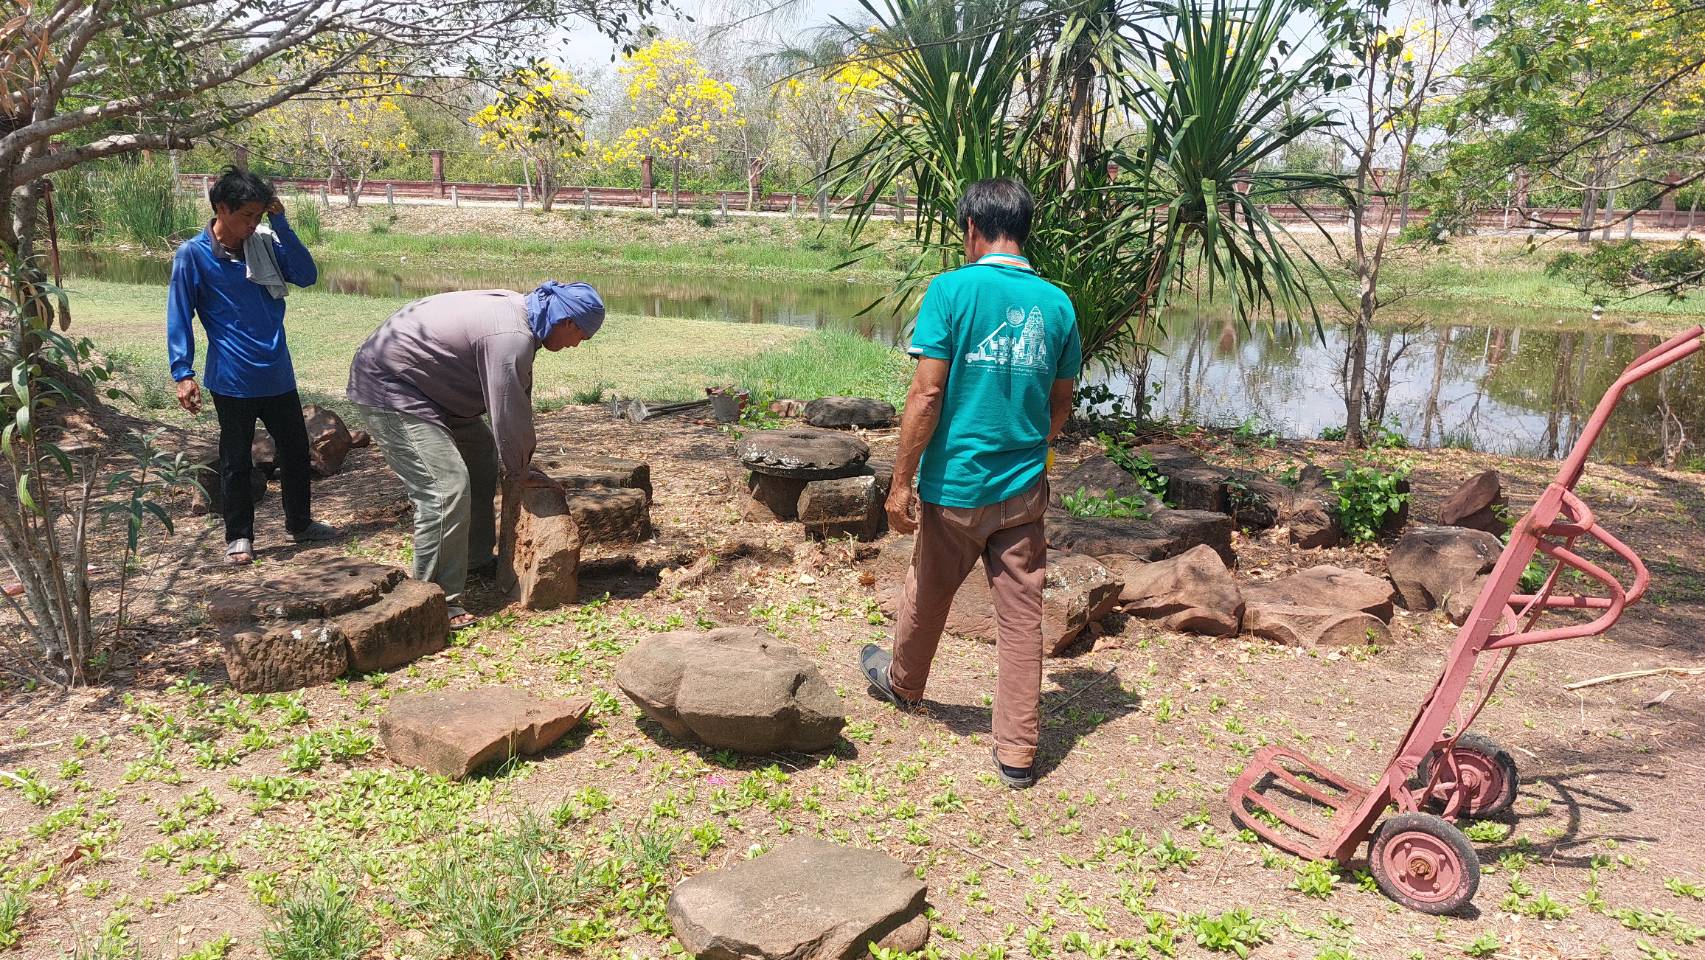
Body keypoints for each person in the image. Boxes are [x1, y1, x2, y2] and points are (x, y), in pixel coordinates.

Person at [859, 178, 1081, 789]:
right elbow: (1060, 405)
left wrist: (901, 482)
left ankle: (903, 684)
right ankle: (1016, 752)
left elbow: (927, 392)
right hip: (1022, 491)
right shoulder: (1058, 306)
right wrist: (1029, 445)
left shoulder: (952, 290)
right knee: (1020, 616)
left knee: (928, 590)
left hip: (956, 484)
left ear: (974, 230)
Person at [345, 282, 604, 626]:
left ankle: (473, 559)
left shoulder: (524, 315)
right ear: (567, 322)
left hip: (433, 389)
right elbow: (507, 410)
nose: (577, 346)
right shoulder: (511, 335)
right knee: (445, 488)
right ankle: (434, 599)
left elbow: (514, 399)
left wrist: (519, 463)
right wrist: (519, 469)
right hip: (393, 387)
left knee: (480, 456)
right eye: (582, 337)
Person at [168, 166, 337, 564]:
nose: (252, 224)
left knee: (296, 452)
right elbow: (179, 314)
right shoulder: (193, 256)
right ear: (222, 208)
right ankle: (239, 536)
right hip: (231, 378)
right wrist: (183, 371)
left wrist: (279, 222)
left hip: (277, 372)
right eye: (247, 215)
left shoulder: (263, 246)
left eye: (259, 216)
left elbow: (307, 275)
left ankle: (300, 524)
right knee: (235, 458)